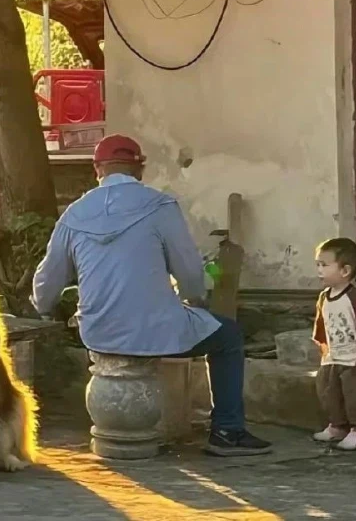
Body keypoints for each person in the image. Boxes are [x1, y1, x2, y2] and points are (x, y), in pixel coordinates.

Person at [32, 133, 271, 456]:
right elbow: (189, 274)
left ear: (96, 170)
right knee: (228, 336)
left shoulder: (74, 215)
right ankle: (228, 431)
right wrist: (196, 301)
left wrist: (44, 308)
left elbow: (47, 282)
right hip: (156, 328)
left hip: (97, 332)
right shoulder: (160, 206)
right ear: (140, 170)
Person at [312, 237, 356, 451]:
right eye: (318, 264)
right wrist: (324, 350)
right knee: (329, 391)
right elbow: (322, 324)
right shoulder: (324, 296)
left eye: (324, 265)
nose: (319, 270)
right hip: (334, 356)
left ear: (345, 270)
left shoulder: (355, 297)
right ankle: (337, 426)